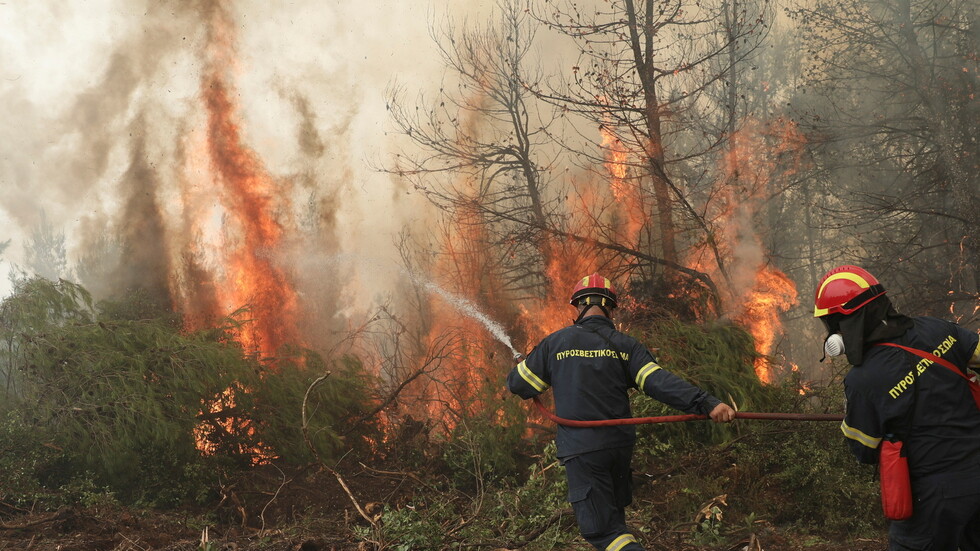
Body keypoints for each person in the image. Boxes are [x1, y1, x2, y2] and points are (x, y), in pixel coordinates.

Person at [507, 273, 735, 551]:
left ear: (578, 306)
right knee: (615, 526)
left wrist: (524, 363)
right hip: (618, 449)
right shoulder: (626, 346)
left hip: (583, 450)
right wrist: (708, 403)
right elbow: (659, 383)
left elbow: (520, 385)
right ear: (611, 308)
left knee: (602, 532)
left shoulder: (556, 344)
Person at [813, 264, 980, 550]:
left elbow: (864, 449)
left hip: (933, 495)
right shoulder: (937, 328)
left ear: (845, 325)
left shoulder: (862, 380)